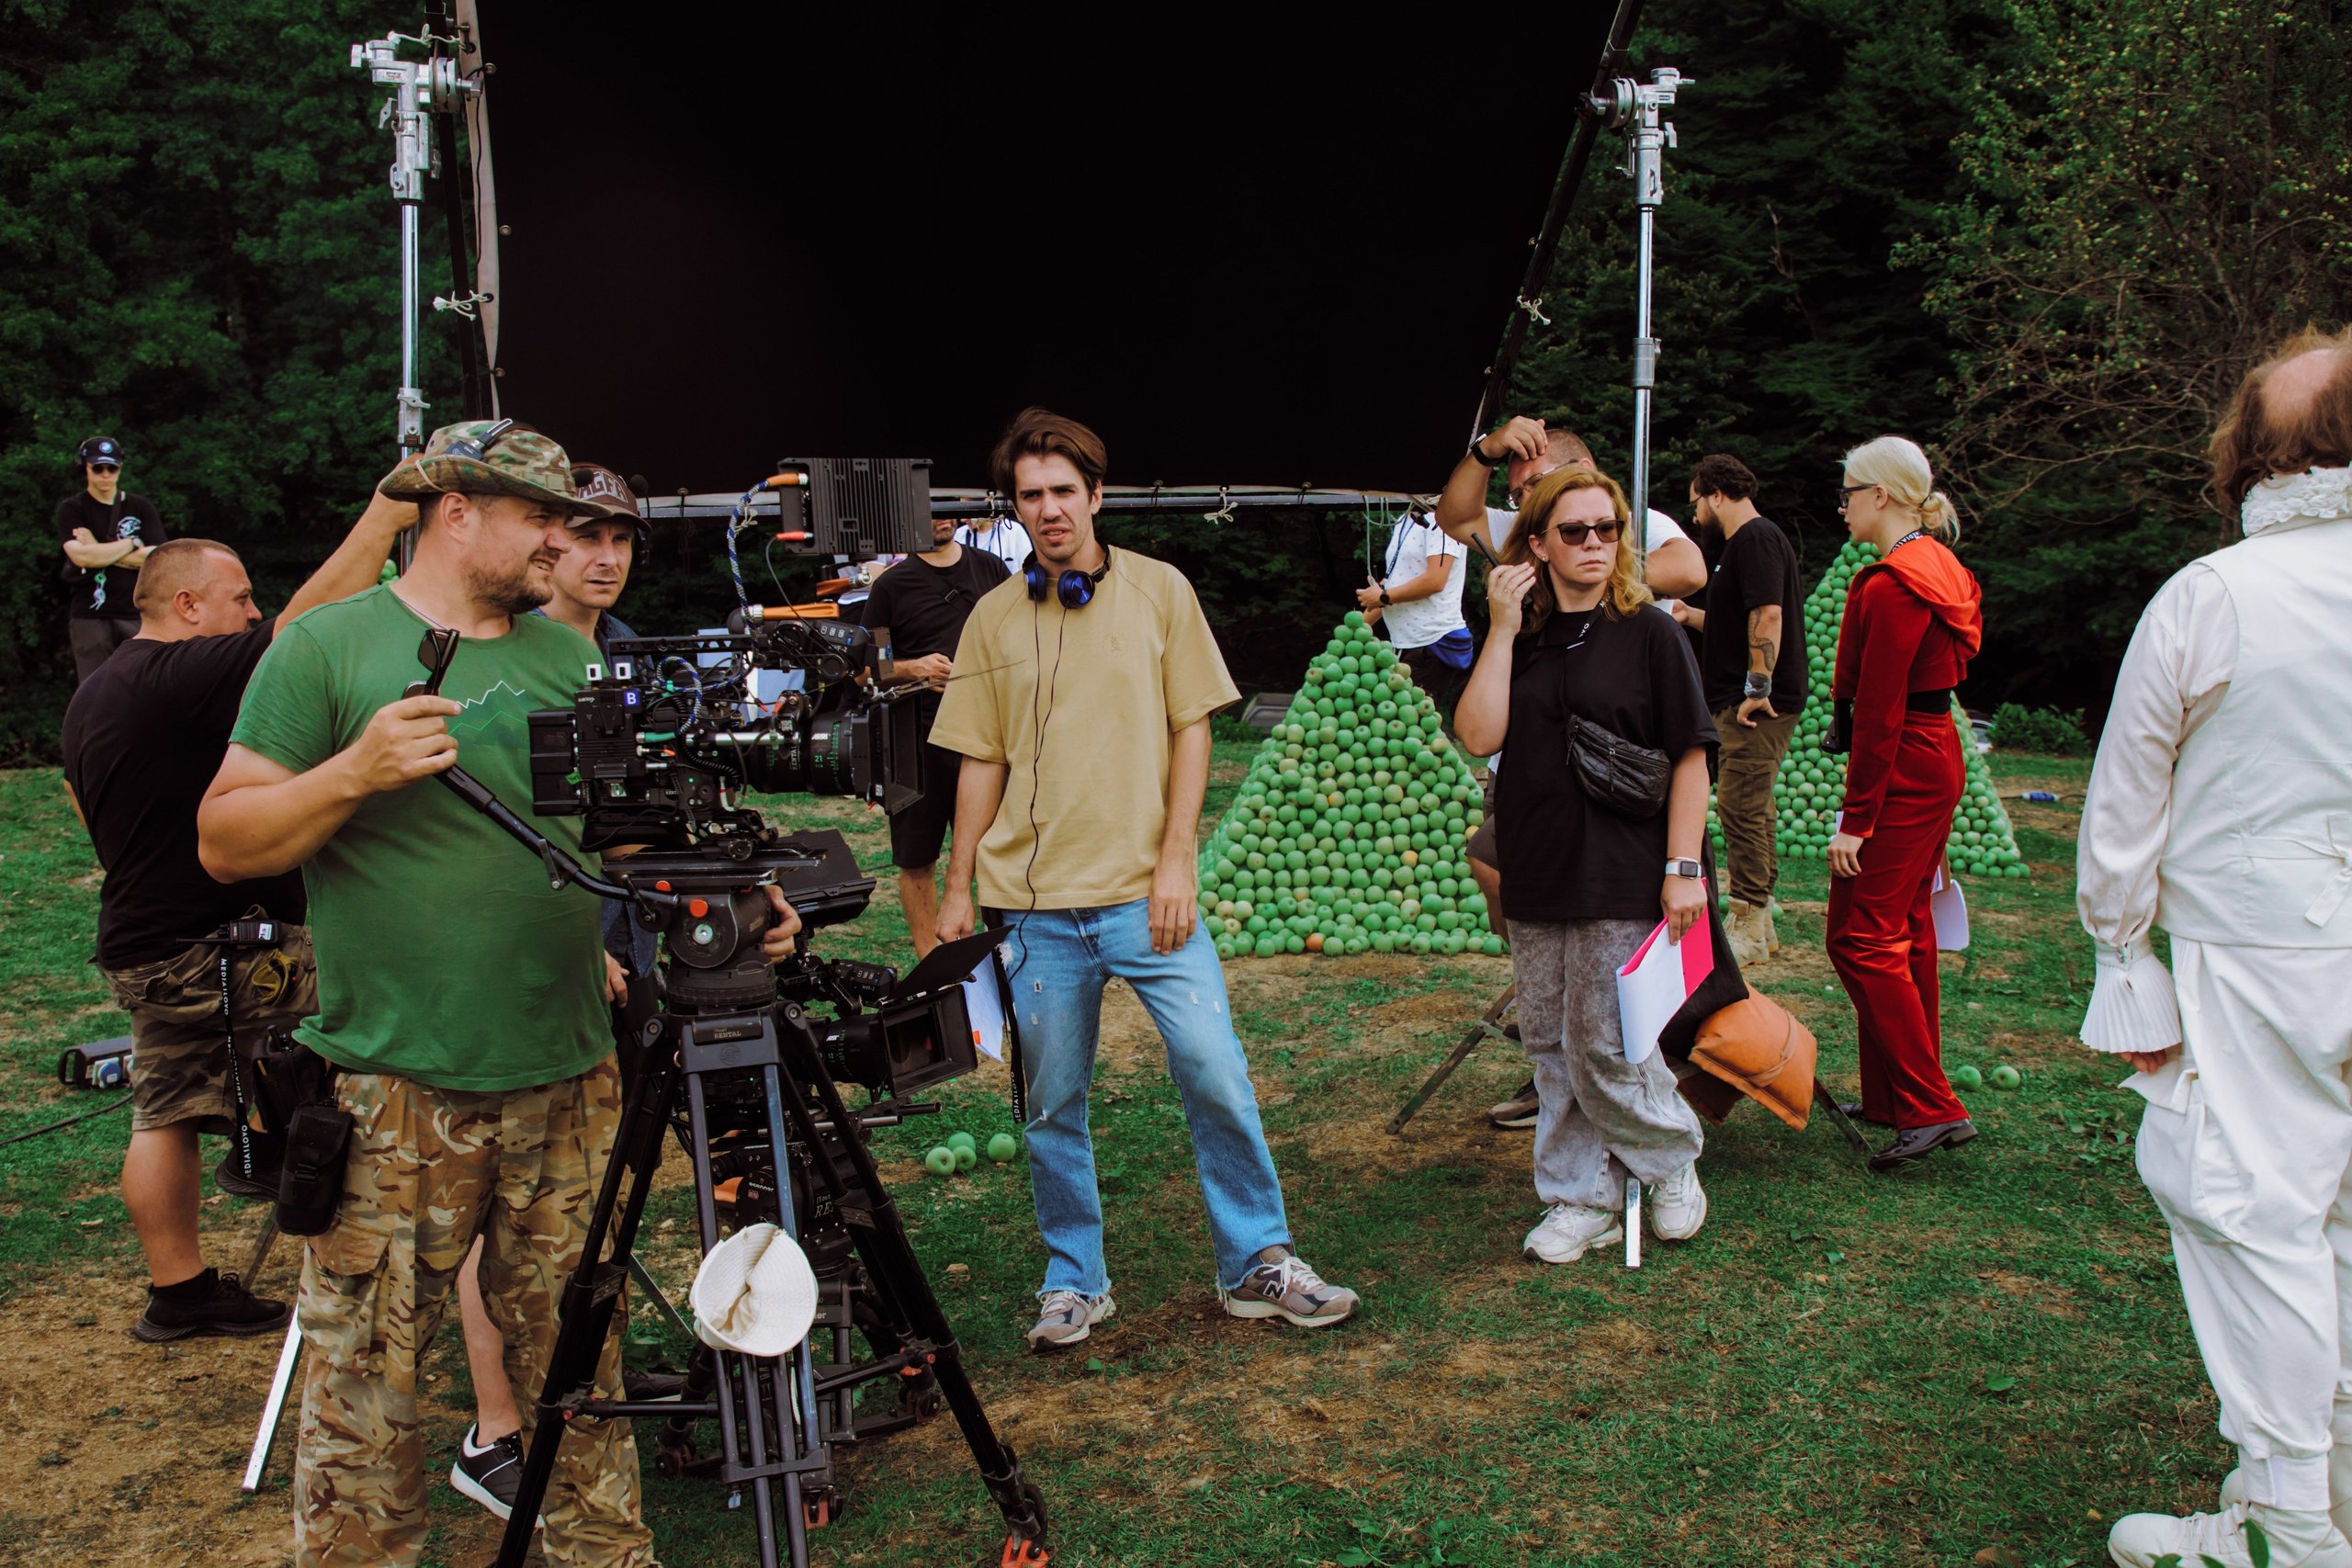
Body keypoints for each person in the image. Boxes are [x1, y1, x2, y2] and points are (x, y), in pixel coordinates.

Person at [198, 419, 802, 1566]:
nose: (562, 542)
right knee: (366, 1388)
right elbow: (224, 840)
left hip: (569, 1081)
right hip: (396, 1089)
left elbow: (620, 843)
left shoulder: (566, 661)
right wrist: (353, 771)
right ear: (456, 512)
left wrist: (732, 895)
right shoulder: (327, 649)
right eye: (541, 519)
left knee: (578, 1367)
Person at [931, 407, 1359, 1349]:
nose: (1048, 510)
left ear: (1096, 496)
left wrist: (1178, 857)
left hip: (1143, 898)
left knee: (1215, 1072)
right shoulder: (993, 619)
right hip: (1034, 912)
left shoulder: (1161, 592)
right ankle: (1073, 1278)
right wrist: (957, 885)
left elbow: (1193, 727)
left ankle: (1258, 1262)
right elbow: (979, 759)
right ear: (1014, 509)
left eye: (1062, 492)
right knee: (1049, 1102)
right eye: (1029, 496)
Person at [2079, 328, 2352, 1568]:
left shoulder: (2214, 594)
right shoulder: (2221, 589)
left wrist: (2123, 960)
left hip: (2261, 954)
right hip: (2283, 936)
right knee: (2327, 1217)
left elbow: (2125, 805)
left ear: (2250, 452)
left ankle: (2291, 1523)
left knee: (2253, 1211)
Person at [61, 498, 412, 1343]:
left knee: (163, 1112)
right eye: (238, 597)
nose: (250, 612)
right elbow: (301, 631)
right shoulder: (183, 675)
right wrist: (382, 517)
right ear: (186, 605)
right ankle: (304, 1165)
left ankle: (180, 1292)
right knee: (391, 992)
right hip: (219, 949)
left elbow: (83, 810)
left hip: (145, 940)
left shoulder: (93, 696)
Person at [1452, 464, 1716, 1264]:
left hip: (1622, 865)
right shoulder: (1522, 639)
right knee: (1548, 1045)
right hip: (1538, 864)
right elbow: (1477, 735)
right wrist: (1497, 626)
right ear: (1537, 545)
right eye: (1574, 531)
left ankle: (1670, 1160)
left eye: (1607, 528)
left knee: (1604, 1044)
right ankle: (1579, 1196)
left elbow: (1692, 757)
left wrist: (1684, 867)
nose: (1595, 542)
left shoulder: (1651, 632)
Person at [1821, 435, 1981, 1174]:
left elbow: (1880, 712)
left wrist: (1857, 819)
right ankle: (1893, 1098)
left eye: (1849, 491)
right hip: (1932, 749)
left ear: (1879, 495)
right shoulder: (1937, 566)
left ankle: (1931, 1106)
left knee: (1862, 935)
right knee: (1903, 926)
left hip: (1907, 758)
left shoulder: (1894, 584)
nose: (1843, 504)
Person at [857, 501, 1012, 957]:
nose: (939, 518)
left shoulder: (991, 570)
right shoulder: (890, 586)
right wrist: (912, 669)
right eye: (925, 510)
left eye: (944, 508)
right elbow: (869, 669)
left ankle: (1005, 955)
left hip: (987, 742)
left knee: (996, 855)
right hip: (917, 745)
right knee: (917, 858)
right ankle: (932, 966)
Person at [1671, 454, 1806, 964]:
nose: (1694, 516)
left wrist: (1757, 684)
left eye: (1695, 504)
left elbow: (1767, 613)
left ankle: (1747, 920)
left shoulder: (1754, 538)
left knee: (1740, 807)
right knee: (1754, 806)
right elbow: (1737, 624)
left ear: (1714, 494)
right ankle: (1761, 918)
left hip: (1755, 702)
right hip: (1741, 695)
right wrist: (1688, 614)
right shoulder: (1740, 546)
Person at [56, 434, 169, 682]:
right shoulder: (72, 508)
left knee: (142, 684)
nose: (105, 474)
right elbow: (81, 556)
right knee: (94, 688)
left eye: (112, 467)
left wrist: (100, 549)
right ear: (85, 467)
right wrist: (132, 544)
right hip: (90, 615)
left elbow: (157, 557)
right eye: (98, 468)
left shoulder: (141, 507)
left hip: (136, 612)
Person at [1357, 508, 1471, 718]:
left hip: (1432, 642)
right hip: (1405, 643)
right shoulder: (1404, 520)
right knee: (1396, 726)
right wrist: (1354, 628)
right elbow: (1393, 584)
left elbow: (1435, 581)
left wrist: (1383, 597)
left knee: (1406, 726)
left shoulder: (1444, 520)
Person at [954, 512, 1034, 575]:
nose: (962, 520)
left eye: (967, 511)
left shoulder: (1014, 531)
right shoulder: (958, 534)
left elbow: (1029, 572)